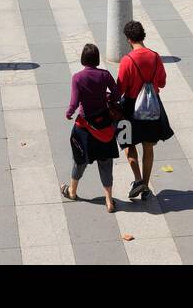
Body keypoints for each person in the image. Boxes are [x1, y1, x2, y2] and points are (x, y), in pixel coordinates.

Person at [116, 20, 173, 200]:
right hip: (152, 108)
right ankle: (146, 187)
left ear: (128, 39)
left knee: (127, 143)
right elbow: (162, 82)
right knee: (148, 147)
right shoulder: (155, 57)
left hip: (130, 109)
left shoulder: (127, 60)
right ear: (143, 35)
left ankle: (138, 179)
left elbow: (121, 89)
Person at [61, 43, 119, 212]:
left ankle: (72, 191)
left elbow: (74, 102)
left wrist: (69, 113)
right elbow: (116, 94)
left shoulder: (78, 78)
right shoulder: (105, 75)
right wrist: (106, 96)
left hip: (85, 127)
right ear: (97, 58)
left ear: (83, 59)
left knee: (79, 160)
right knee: (106, 164)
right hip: (104, 126)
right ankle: (109, 200)